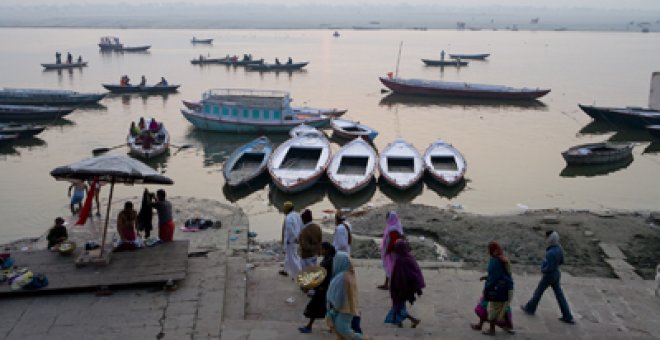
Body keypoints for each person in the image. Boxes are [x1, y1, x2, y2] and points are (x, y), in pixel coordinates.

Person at [521, 231, 575, 324]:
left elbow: (547, 267)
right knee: (559, 295)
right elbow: (562, 261)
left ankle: (530, 308)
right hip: (556, 273)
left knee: (538, 292)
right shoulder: (559, 248)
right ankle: (567, 315)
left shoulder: (550, 253)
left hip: (549, 275)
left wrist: (543, 269)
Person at [473, 240, 515, 335]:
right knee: (503, 308)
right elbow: (503, 274)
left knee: (491, 309)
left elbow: (494, 278)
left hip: (498, 290)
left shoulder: (494, 261)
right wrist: (486, 277)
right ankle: (509, 326)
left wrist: (486, 288)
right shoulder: (503, 259)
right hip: (507, 289)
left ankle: (492, 330)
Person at [385, 239, 424, 328]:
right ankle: (400, 323)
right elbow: (416, 273)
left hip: (400, 289)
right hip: (406, 288)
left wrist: (397, 288)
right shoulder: (409, 258)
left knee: (398, 306)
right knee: (398, 306)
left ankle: (414, 320)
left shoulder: (400, 260)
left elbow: (400, 277)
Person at [299, 242, 336, 334]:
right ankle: (332, 327)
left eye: (322, 249)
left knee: (314, 308)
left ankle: (309, 327)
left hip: (323, 288)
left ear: (327, 250)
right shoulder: (329, 259)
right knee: (327, 308)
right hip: (326, 287)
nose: (320, 251)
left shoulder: (327, 262)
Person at [326, 251, 364, 339]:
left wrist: (334, 310)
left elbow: (339, 297)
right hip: (349, 308)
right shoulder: (349, 273)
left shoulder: (342, 278)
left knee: (342, 330)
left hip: (342, 310)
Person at [378, 211, 404, 290]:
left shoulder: (393, 228)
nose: (386, 219)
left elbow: (392, 242)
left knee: (391, 267)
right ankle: (387, 284)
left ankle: (391, 285)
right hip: (391, 251)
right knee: (389, 267)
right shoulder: (393, 226)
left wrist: (387, 251)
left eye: (387, 217)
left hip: (391, 252)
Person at [280, 201, 302, 277]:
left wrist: (293, 239)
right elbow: (300, 225)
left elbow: (290, 230)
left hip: (290, 241)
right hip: (296, 239)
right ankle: (285, 270)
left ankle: (300, 272)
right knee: (289, 255)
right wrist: (298, 237)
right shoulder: (297, 215)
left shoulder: (288, 218)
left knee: (292, 258)